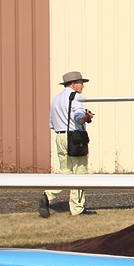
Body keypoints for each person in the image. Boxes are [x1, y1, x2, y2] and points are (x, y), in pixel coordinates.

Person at [42, 71, 95, 217]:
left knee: (65, 171)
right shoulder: (76, 97)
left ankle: (47, 195)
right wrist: (88, 116)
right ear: (73, 84)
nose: (82, 86)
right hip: (75, 138)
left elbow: (52, 124)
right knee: (79, 172)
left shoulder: (56, 99)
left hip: (60, 137)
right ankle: (77, 209)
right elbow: (79, 119)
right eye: (80, 83)